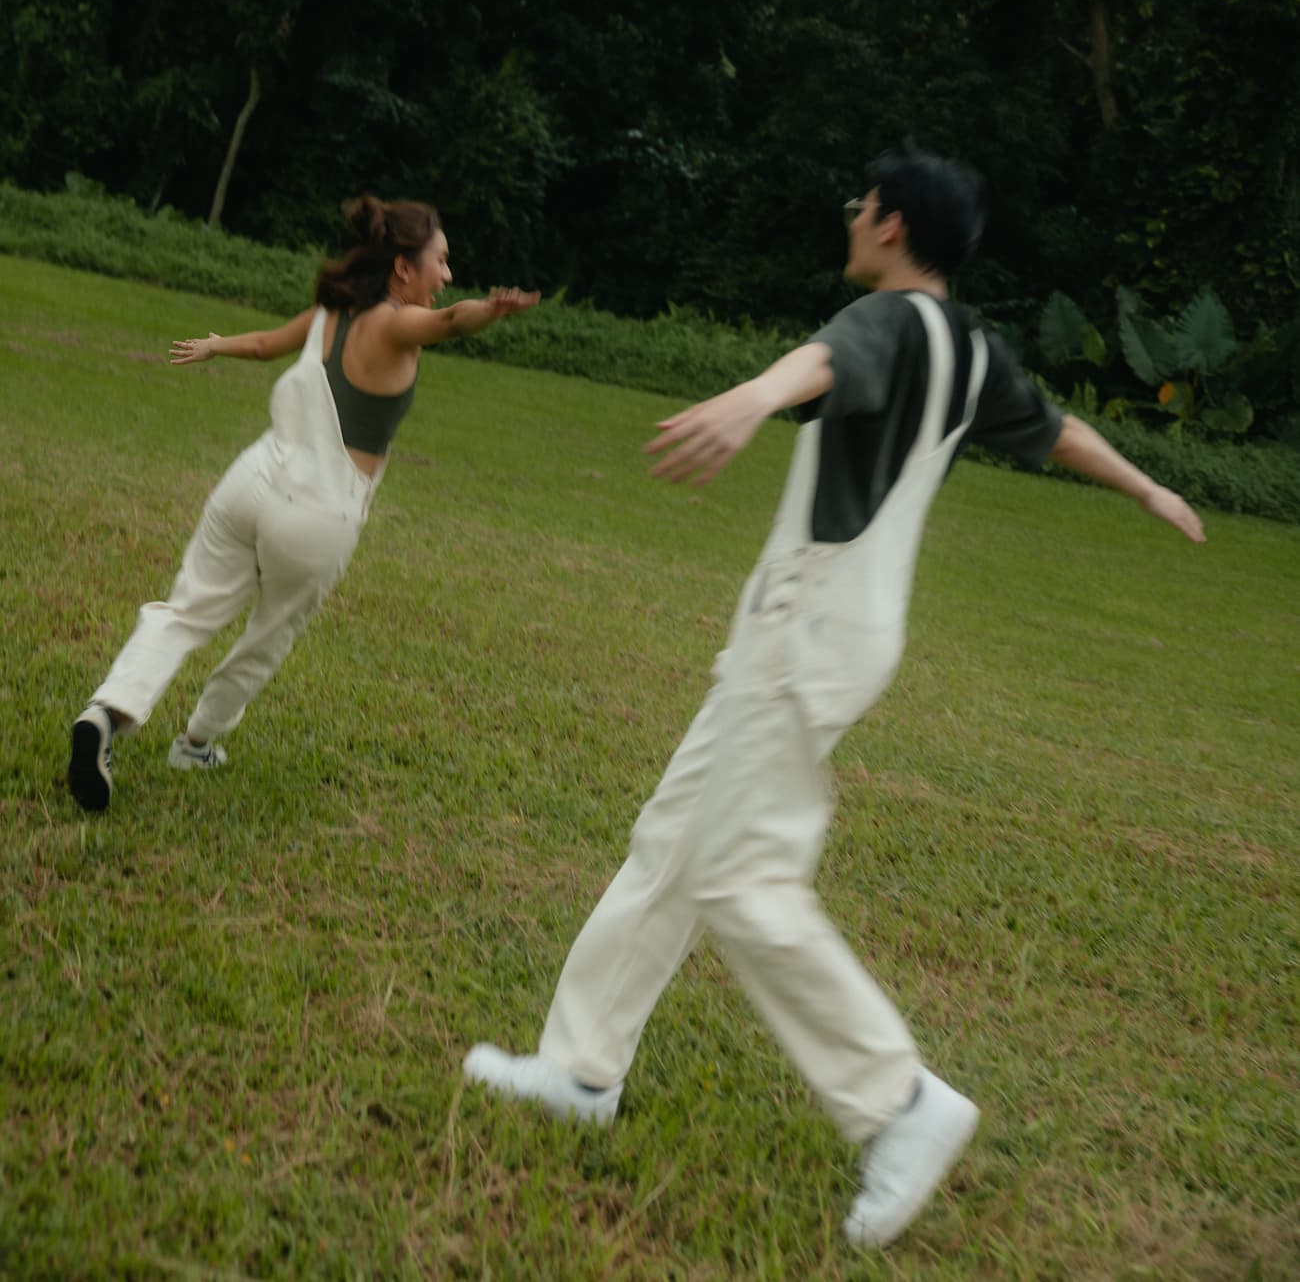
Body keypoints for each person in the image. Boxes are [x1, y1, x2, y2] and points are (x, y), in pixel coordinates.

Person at [463, 149, 1204, 1250]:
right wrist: (1146, 482)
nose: (852, 220)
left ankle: (900, 1101)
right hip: (838, 624)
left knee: (738, 872)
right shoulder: (972, 347)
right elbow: (1052, 430)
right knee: (671, 841)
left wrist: (747, 397)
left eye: (862, 208)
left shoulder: (892, 322)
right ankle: (579, 1067)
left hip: (808, 627)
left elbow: (823, 359)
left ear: (893, 226)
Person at [68, 195, 538, 813]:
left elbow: (267, 344)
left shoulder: (331, 309)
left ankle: (106, 712)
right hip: (315, 515)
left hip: (250, 482)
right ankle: (196, 742)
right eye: (440, 262)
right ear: (403, 268)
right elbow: (450, 323)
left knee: (185, 611)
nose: (446, 277)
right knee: (269, 633)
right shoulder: (395, 324)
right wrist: (493, 311)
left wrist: (216, 344)